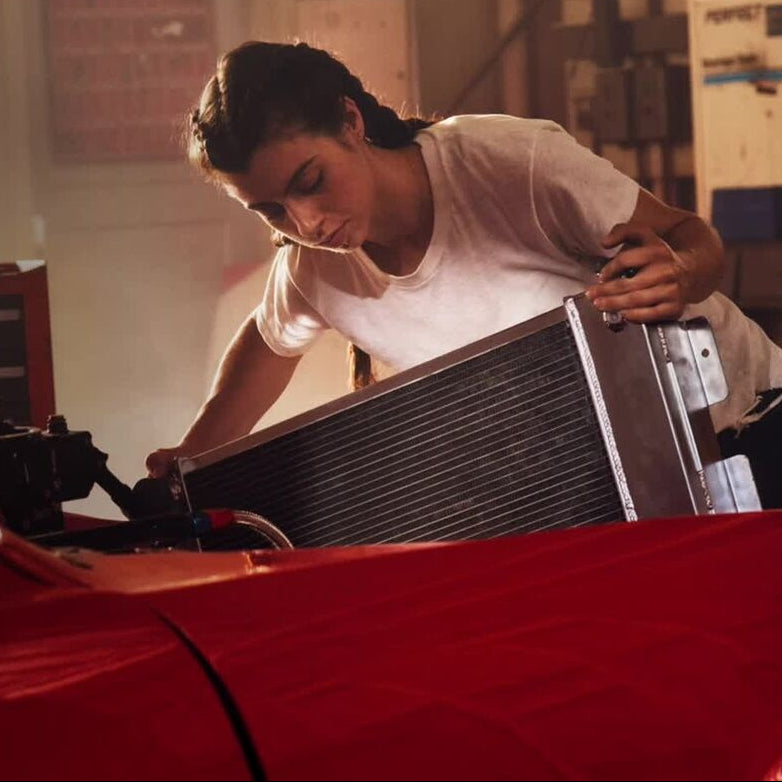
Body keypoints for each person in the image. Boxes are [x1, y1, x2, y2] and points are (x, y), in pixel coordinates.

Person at [146, 40, 782, 507]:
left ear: (350, 121)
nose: (305, 222)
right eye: (272, 210)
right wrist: (188, 464)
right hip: (619, 484)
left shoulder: (509, 163)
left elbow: (694, 239)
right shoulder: (312, 271)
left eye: (309, 183)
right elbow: (265, 342)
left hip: (750, 425)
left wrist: (678, 269)